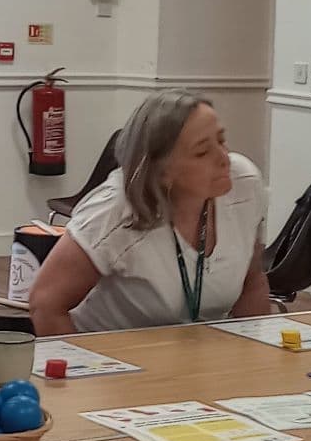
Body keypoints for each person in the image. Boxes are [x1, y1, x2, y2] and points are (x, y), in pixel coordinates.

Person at [28, 90, 272, 334]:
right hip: (113, 349)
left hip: (200, 351)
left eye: (221, 140)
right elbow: (45, 303)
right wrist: (79, 358)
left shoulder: (244, 183)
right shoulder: (113, 211)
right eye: (202, 152)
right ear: (162, 170)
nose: (224, 158)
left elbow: (252, 283)